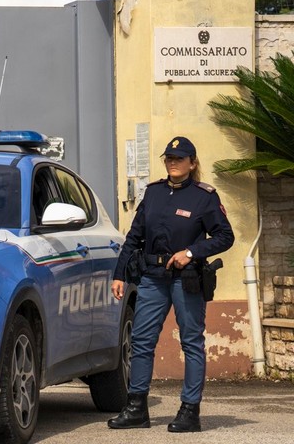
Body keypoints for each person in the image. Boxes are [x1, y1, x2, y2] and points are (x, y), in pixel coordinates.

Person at [108, 136, 234, 433]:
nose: (173, 162)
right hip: (152, 277)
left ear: (192, 163)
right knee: (141, 341)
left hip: (186, 279)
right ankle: (136, 408)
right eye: (169, 158)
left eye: (179, 158)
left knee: (191, 342)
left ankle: (190, 411)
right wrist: (119, 274)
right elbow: (133, 237)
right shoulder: (153, 193)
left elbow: (224, 236)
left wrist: (190, 253)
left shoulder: (204, 197)